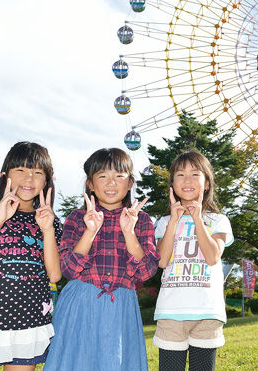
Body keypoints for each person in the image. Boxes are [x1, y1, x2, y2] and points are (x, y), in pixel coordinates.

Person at [44, 148, 160, 371]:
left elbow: (145, 272)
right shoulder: (77, 217)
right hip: (80, 303)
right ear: (90, 183)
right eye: (103, 176)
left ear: (130, 182)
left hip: (122, 305)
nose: (111, 183)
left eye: (119, 176)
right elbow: (68, 269)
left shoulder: (142, 219)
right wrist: (90, 231)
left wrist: (129, 232)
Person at [0, 141, 63, 370]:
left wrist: (47, 230)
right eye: (21, 170)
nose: (29, 179)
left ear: (46, 181)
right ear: (5, 175)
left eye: (37, 172)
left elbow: (54, 275)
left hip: (31, 323)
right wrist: (0, 218)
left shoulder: (51, 221)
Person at [153, 150, 234, 371]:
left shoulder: (218, 220)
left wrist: (197, 218)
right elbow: (161, 261)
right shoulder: (164, 222)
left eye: (195, 174)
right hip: (170, 312)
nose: (187, 180)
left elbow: (212, 256)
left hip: (207, 312)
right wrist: (173, 221)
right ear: (172, 184)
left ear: (206, 183)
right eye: (180, 174)